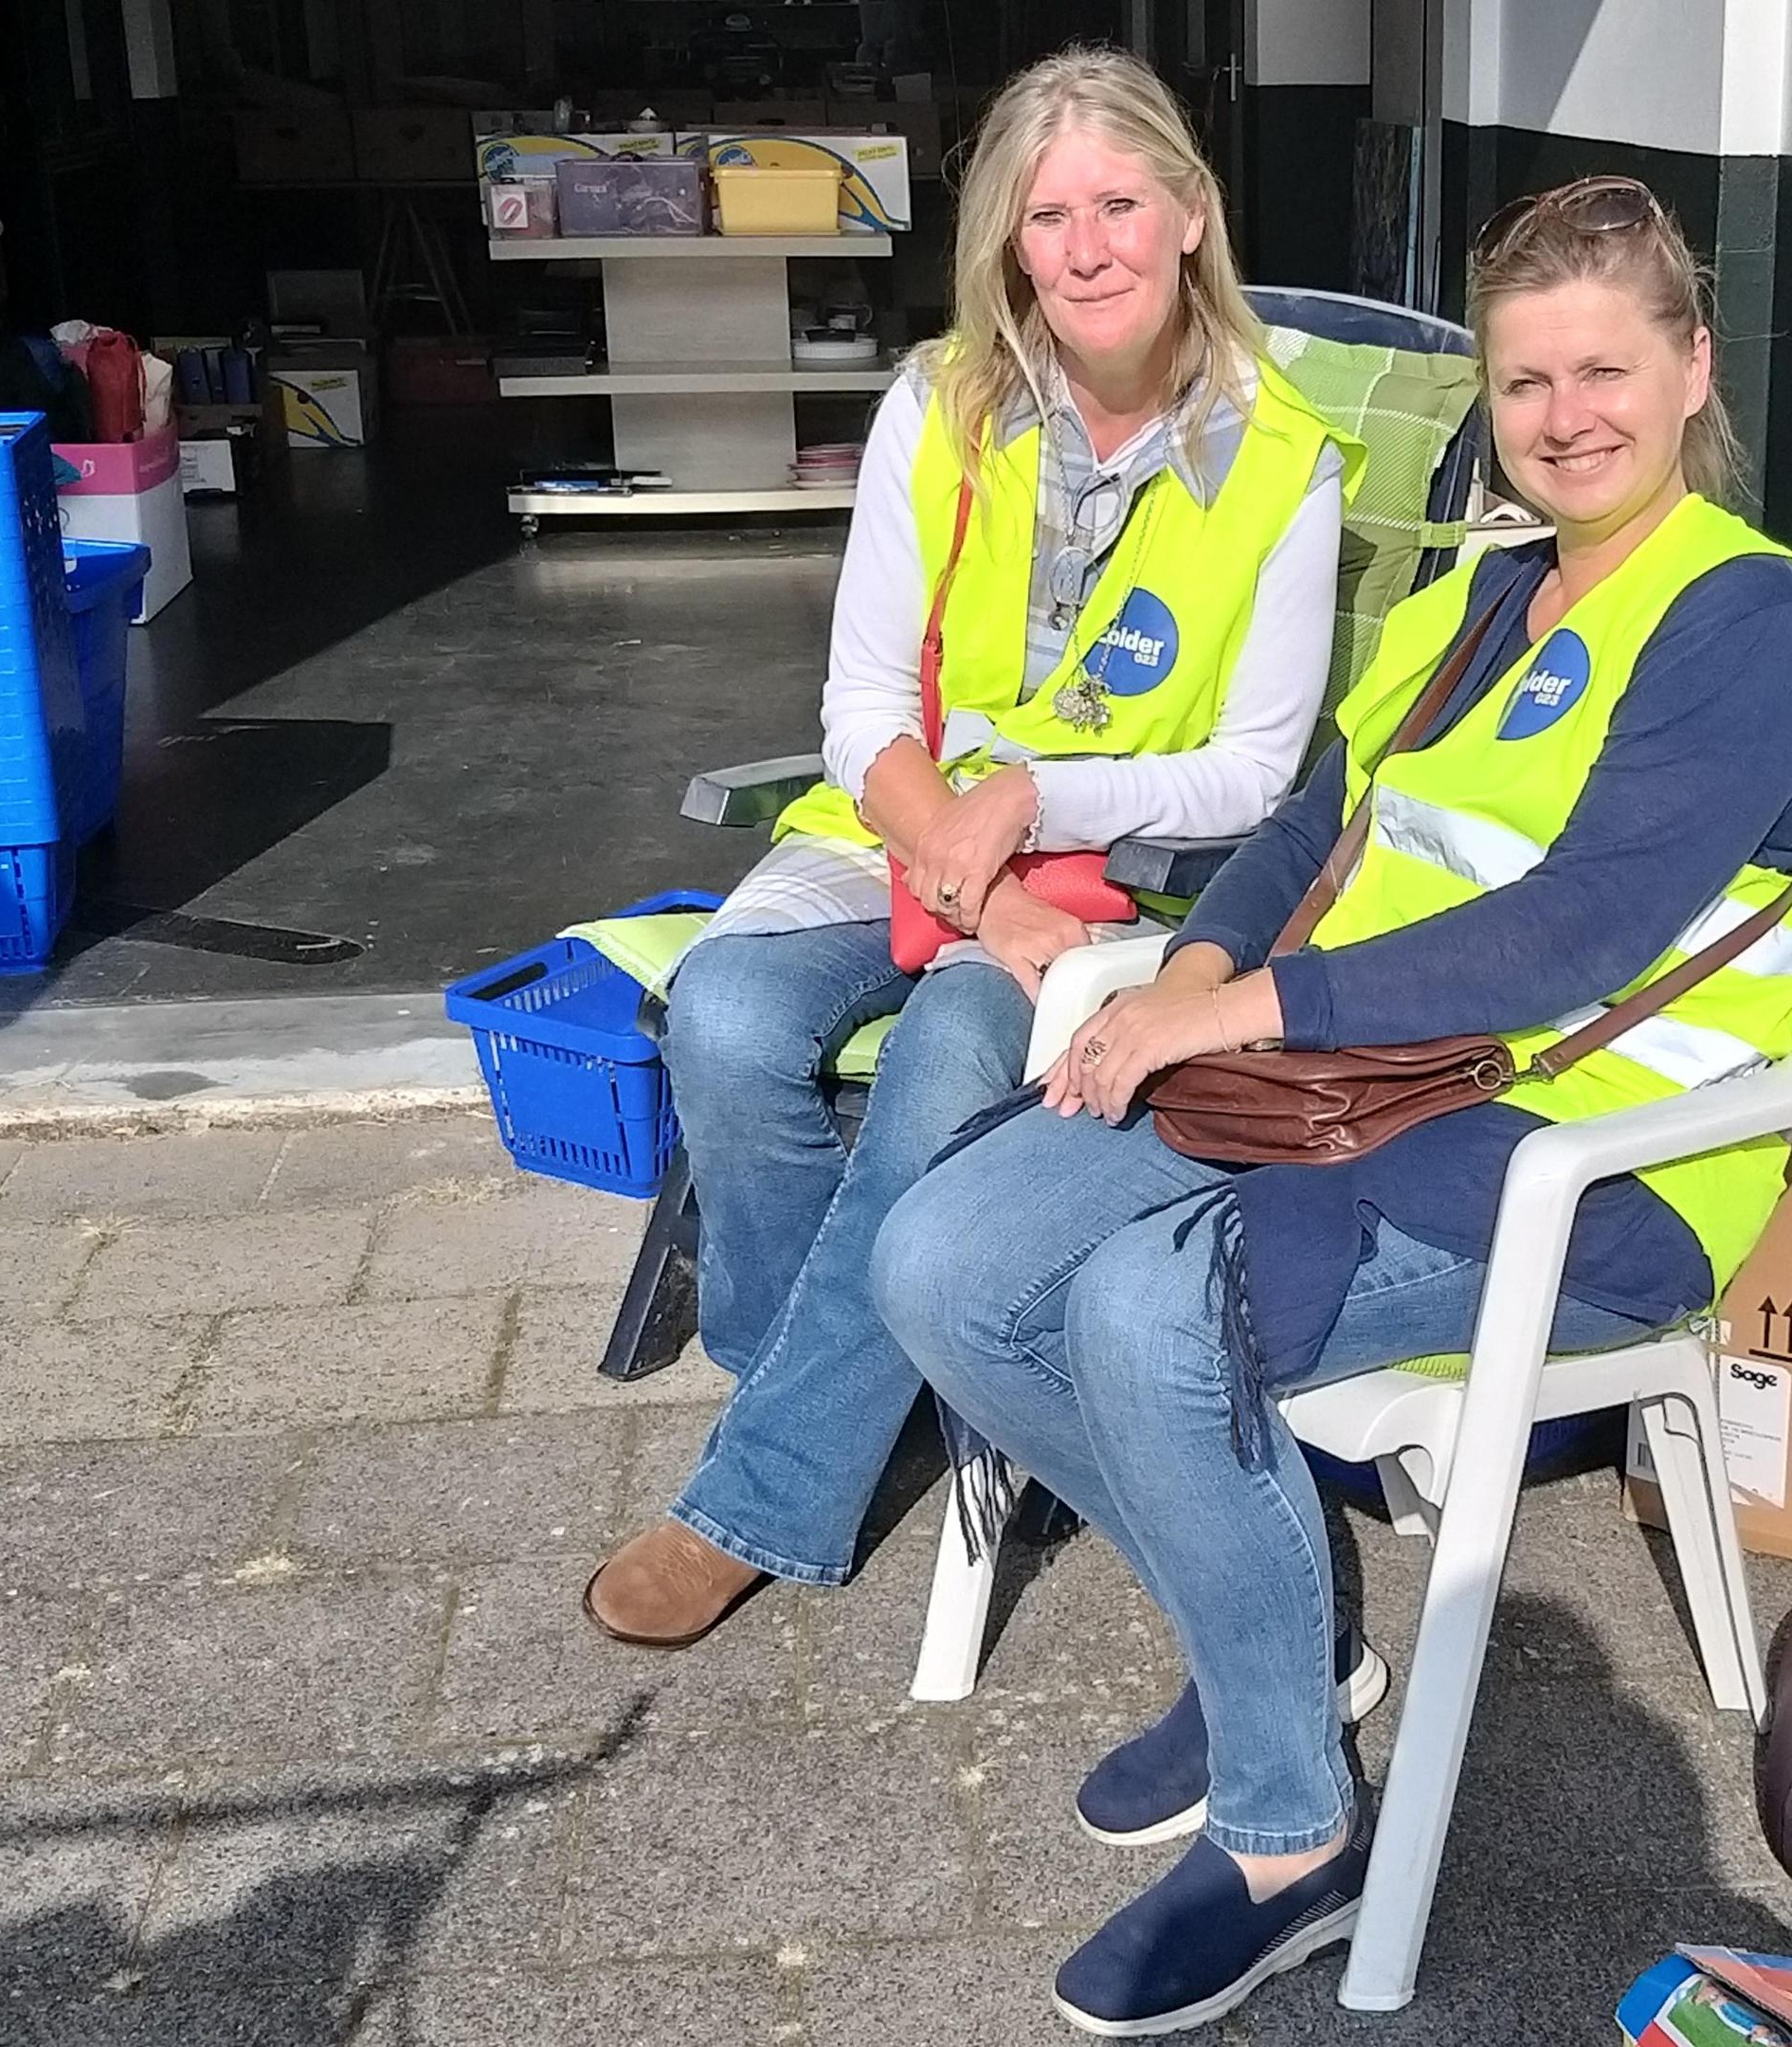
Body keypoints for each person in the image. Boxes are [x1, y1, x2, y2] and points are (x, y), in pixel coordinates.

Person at [872, 175, 1792, 2037]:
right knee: (940, 1259)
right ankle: (1285, 1638)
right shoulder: (1486, 588)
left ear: (1693, 367)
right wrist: (1187, 978)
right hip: (1347, 1085)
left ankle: (1287, 1836)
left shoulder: (1742, 618)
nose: (1566, 416)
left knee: (1142, 1308)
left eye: (1606, 371)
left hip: (1589, 1169)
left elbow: (1575, 928)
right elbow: (1314, 822)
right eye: (1524, 380)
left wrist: (1233, 1006)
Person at [581, 49, 1357, 1645]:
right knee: (724, 1020)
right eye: (1044, 216)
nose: (1084, 249)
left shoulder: (1284, 457)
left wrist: (1043, 815)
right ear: (1006, 244)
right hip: (911, 833)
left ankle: (766, 1489)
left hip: (1123, 876)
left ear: (1192, 215)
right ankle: (849, 1381)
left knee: (943, 1066)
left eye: (1119, 204)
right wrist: (972, 869)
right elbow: (863, 700)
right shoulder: (939, 406)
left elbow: (1254, 769)